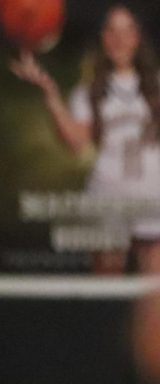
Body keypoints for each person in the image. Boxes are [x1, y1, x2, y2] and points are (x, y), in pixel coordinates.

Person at [10, 4, 160, 275]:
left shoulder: (156, 86)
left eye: (127, 31)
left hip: (153, 203)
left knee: (153, 301)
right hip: (107, 201)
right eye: (112, 31)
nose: (120, 39)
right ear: (103, 38)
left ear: (137, 38)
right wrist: (50, 94)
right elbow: (75, 142)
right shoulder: (89, 91)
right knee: (106, 296)